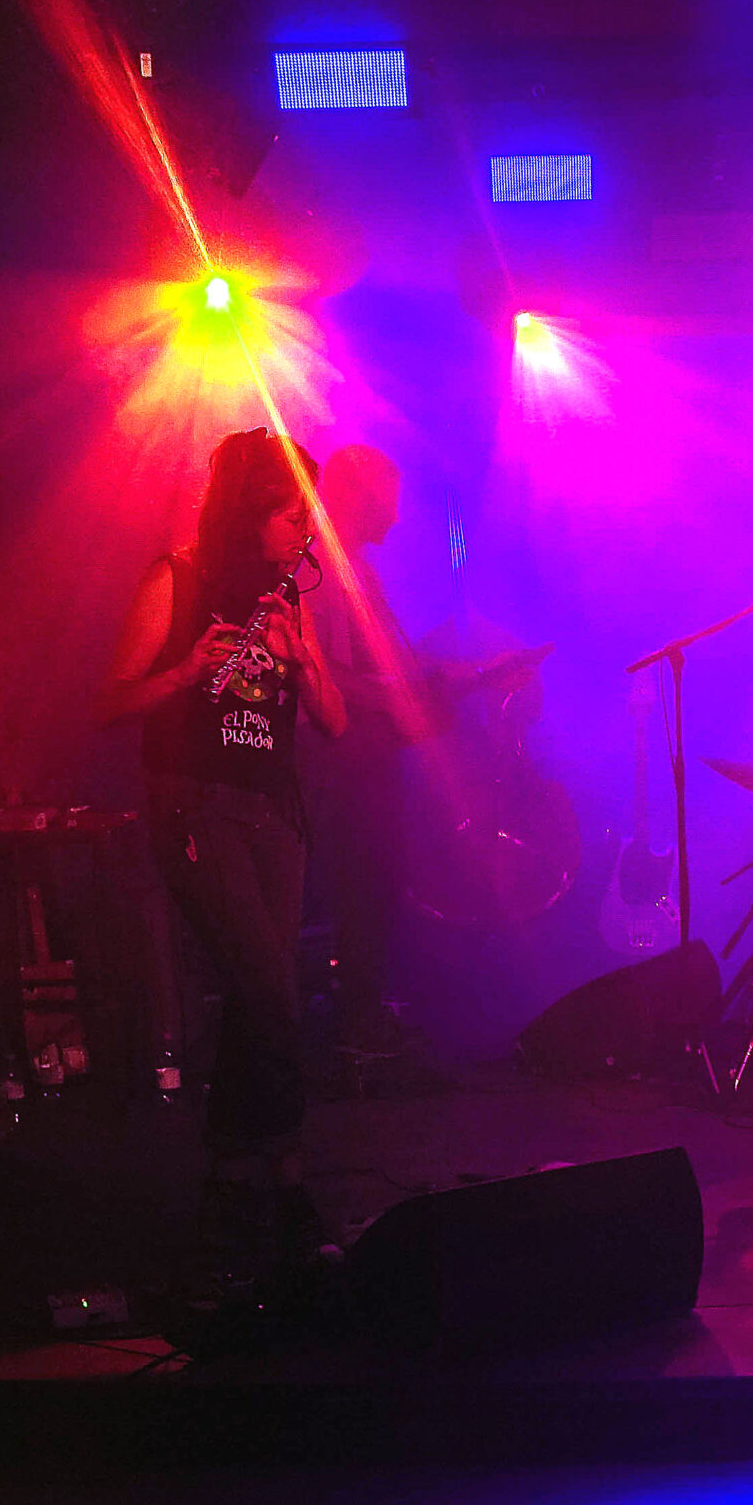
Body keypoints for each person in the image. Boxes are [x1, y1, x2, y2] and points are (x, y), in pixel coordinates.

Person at [98, 427, 346, 1301]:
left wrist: (302, 658)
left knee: (258, 990)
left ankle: (228, 1180)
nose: (305, 531)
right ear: (249, 512)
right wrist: (183, 672)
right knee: (271, 991)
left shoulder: (288, 600)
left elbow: (336, 722)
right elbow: (106, 702)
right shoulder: (177, 577)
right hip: (197, 808)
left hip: (275, 815)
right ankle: (287, 1180)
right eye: (290, 515)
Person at [304, 445, 428, 1055]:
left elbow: (378, 664)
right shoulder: (319, 570)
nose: (396, 517)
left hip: (364, 761)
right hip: (337, 766)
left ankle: (365, 1015)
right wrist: (389, 692)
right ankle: (356, 1024)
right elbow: (317, 669)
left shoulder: (356, 569)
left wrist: (447, 678)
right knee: (360, 888)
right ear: (353, 496)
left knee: (376, 888)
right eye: (387, 502)